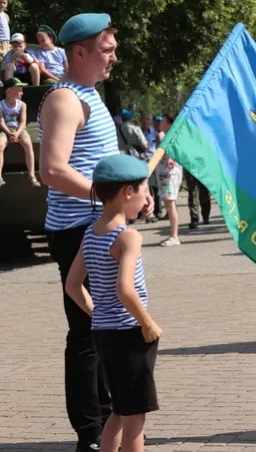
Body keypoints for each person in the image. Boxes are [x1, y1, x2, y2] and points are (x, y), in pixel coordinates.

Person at [38, 13, 154, 452]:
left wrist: (122, 202)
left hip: (95, 224)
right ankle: (91, 431)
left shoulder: (88, 95)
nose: (113, 57)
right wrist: (108, 200)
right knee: (88, 333)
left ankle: (111, 426)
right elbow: (52, 170)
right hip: (77, 228)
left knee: (106, 328)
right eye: (106, 49)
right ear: (79, 51)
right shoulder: (65, 100)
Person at [65, 154, 160, 452]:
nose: (146, 199)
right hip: (130, 333)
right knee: (135, 416)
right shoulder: (128, 236)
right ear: (127, 193)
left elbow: (72, 285)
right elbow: (125, 289)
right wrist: (148, 323)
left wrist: (98, 314)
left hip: (103, 333)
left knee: (119, 410)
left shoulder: (91, 233)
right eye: (144, 191)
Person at [0, 78, 40, 188]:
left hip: (19, 129)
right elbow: (1, 121)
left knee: (28, 144)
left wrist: (17, 134)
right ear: (9, 91)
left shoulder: (22, 104)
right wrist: (9, 133)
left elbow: (23, 121)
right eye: (19, 90)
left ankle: (32, 175)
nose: (22, 93)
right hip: (6, 130)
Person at [156, 115, 182, 247]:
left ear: (170, 124)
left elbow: (167, 155)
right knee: (169, 204)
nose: (161, 123)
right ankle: (173, 234)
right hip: (167, 173)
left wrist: (168, 158)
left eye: (164, 121)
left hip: (169, 173)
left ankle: (174, 236)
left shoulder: (164, 136)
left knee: (170, 204)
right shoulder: (174, 136)